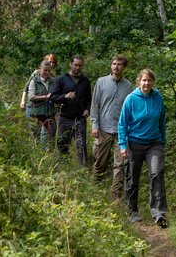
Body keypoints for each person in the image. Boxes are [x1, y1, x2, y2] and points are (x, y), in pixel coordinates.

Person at [118, 69, 168, 228]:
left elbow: (162, 121)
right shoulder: (131, 99)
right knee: (132, 178)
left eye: (149, 80)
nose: (147, 83)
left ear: (153, 82)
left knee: (157, 173)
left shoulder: (157, 97)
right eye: (144, 80)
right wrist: (123, 145)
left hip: (154, 143)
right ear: (139, 81)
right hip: (134, 143)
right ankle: (132, 211)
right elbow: (122, 124)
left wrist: (162, 140)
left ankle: (159, 213)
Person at [90, 55, 133, 200]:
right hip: (103, 129)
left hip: (121, 131)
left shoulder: (128, 86)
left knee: (120, 165)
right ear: (111, 66)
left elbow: (130, 109)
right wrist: (94, 125)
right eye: (114, 64)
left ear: (124, 67)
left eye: (119, 64)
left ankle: (116, 198)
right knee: (100, 163)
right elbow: (95, 105)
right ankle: (93, 191)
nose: (116, 67)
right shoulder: (101, 82)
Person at [50, 54, 92, 165]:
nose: (77, 68)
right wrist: (65, 96)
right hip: (65, 118)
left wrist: (88, 109)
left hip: (80, 119)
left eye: (80, 65)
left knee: (81, 145)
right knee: (62, 145)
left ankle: (83, 169)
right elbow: (53, 97)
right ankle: (63, 167)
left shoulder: (85, 81)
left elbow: (89, 99)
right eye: (75, 65)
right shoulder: (61, 79)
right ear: (70, 64)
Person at [20, 54, 57, 141]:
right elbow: (26, 88)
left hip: (46, 108)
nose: (50, 63)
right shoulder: (35, 74)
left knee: (46, 132)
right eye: (49, 61)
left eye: (52, 62)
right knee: (34, 131)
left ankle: (45, 150)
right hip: (33, 106)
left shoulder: (53, 77)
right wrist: (22, 101)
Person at [28, 60, 56, 142]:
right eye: (45, 70)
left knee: (52, 134)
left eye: (49, 70)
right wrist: (46, 97)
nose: (47, 72)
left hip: (50, 112)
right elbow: (31, 97)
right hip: (37, 113)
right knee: (35, 136)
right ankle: (36, 153)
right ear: (40, 69)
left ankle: (49, 152)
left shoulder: (53, 81)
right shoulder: (34, 81)